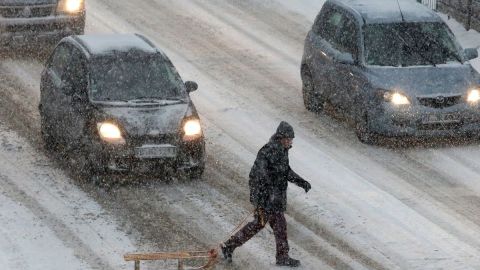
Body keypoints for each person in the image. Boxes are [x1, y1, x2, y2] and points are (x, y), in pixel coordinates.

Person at [221, 121, 311, 267]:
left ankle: (231, 246)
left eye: (291, 139)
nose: (290, 142)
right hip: (265, 197)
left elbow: (285, 171)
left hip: (274, 198)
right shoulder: (268, 151)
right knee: (264, 224)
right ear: (280, 137)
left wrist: (301, 182)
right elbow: (260, 174)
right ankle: (230, 246)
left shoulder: (282, 151)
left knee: (275, 225)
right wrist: (267, 194)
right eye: (288, 139)